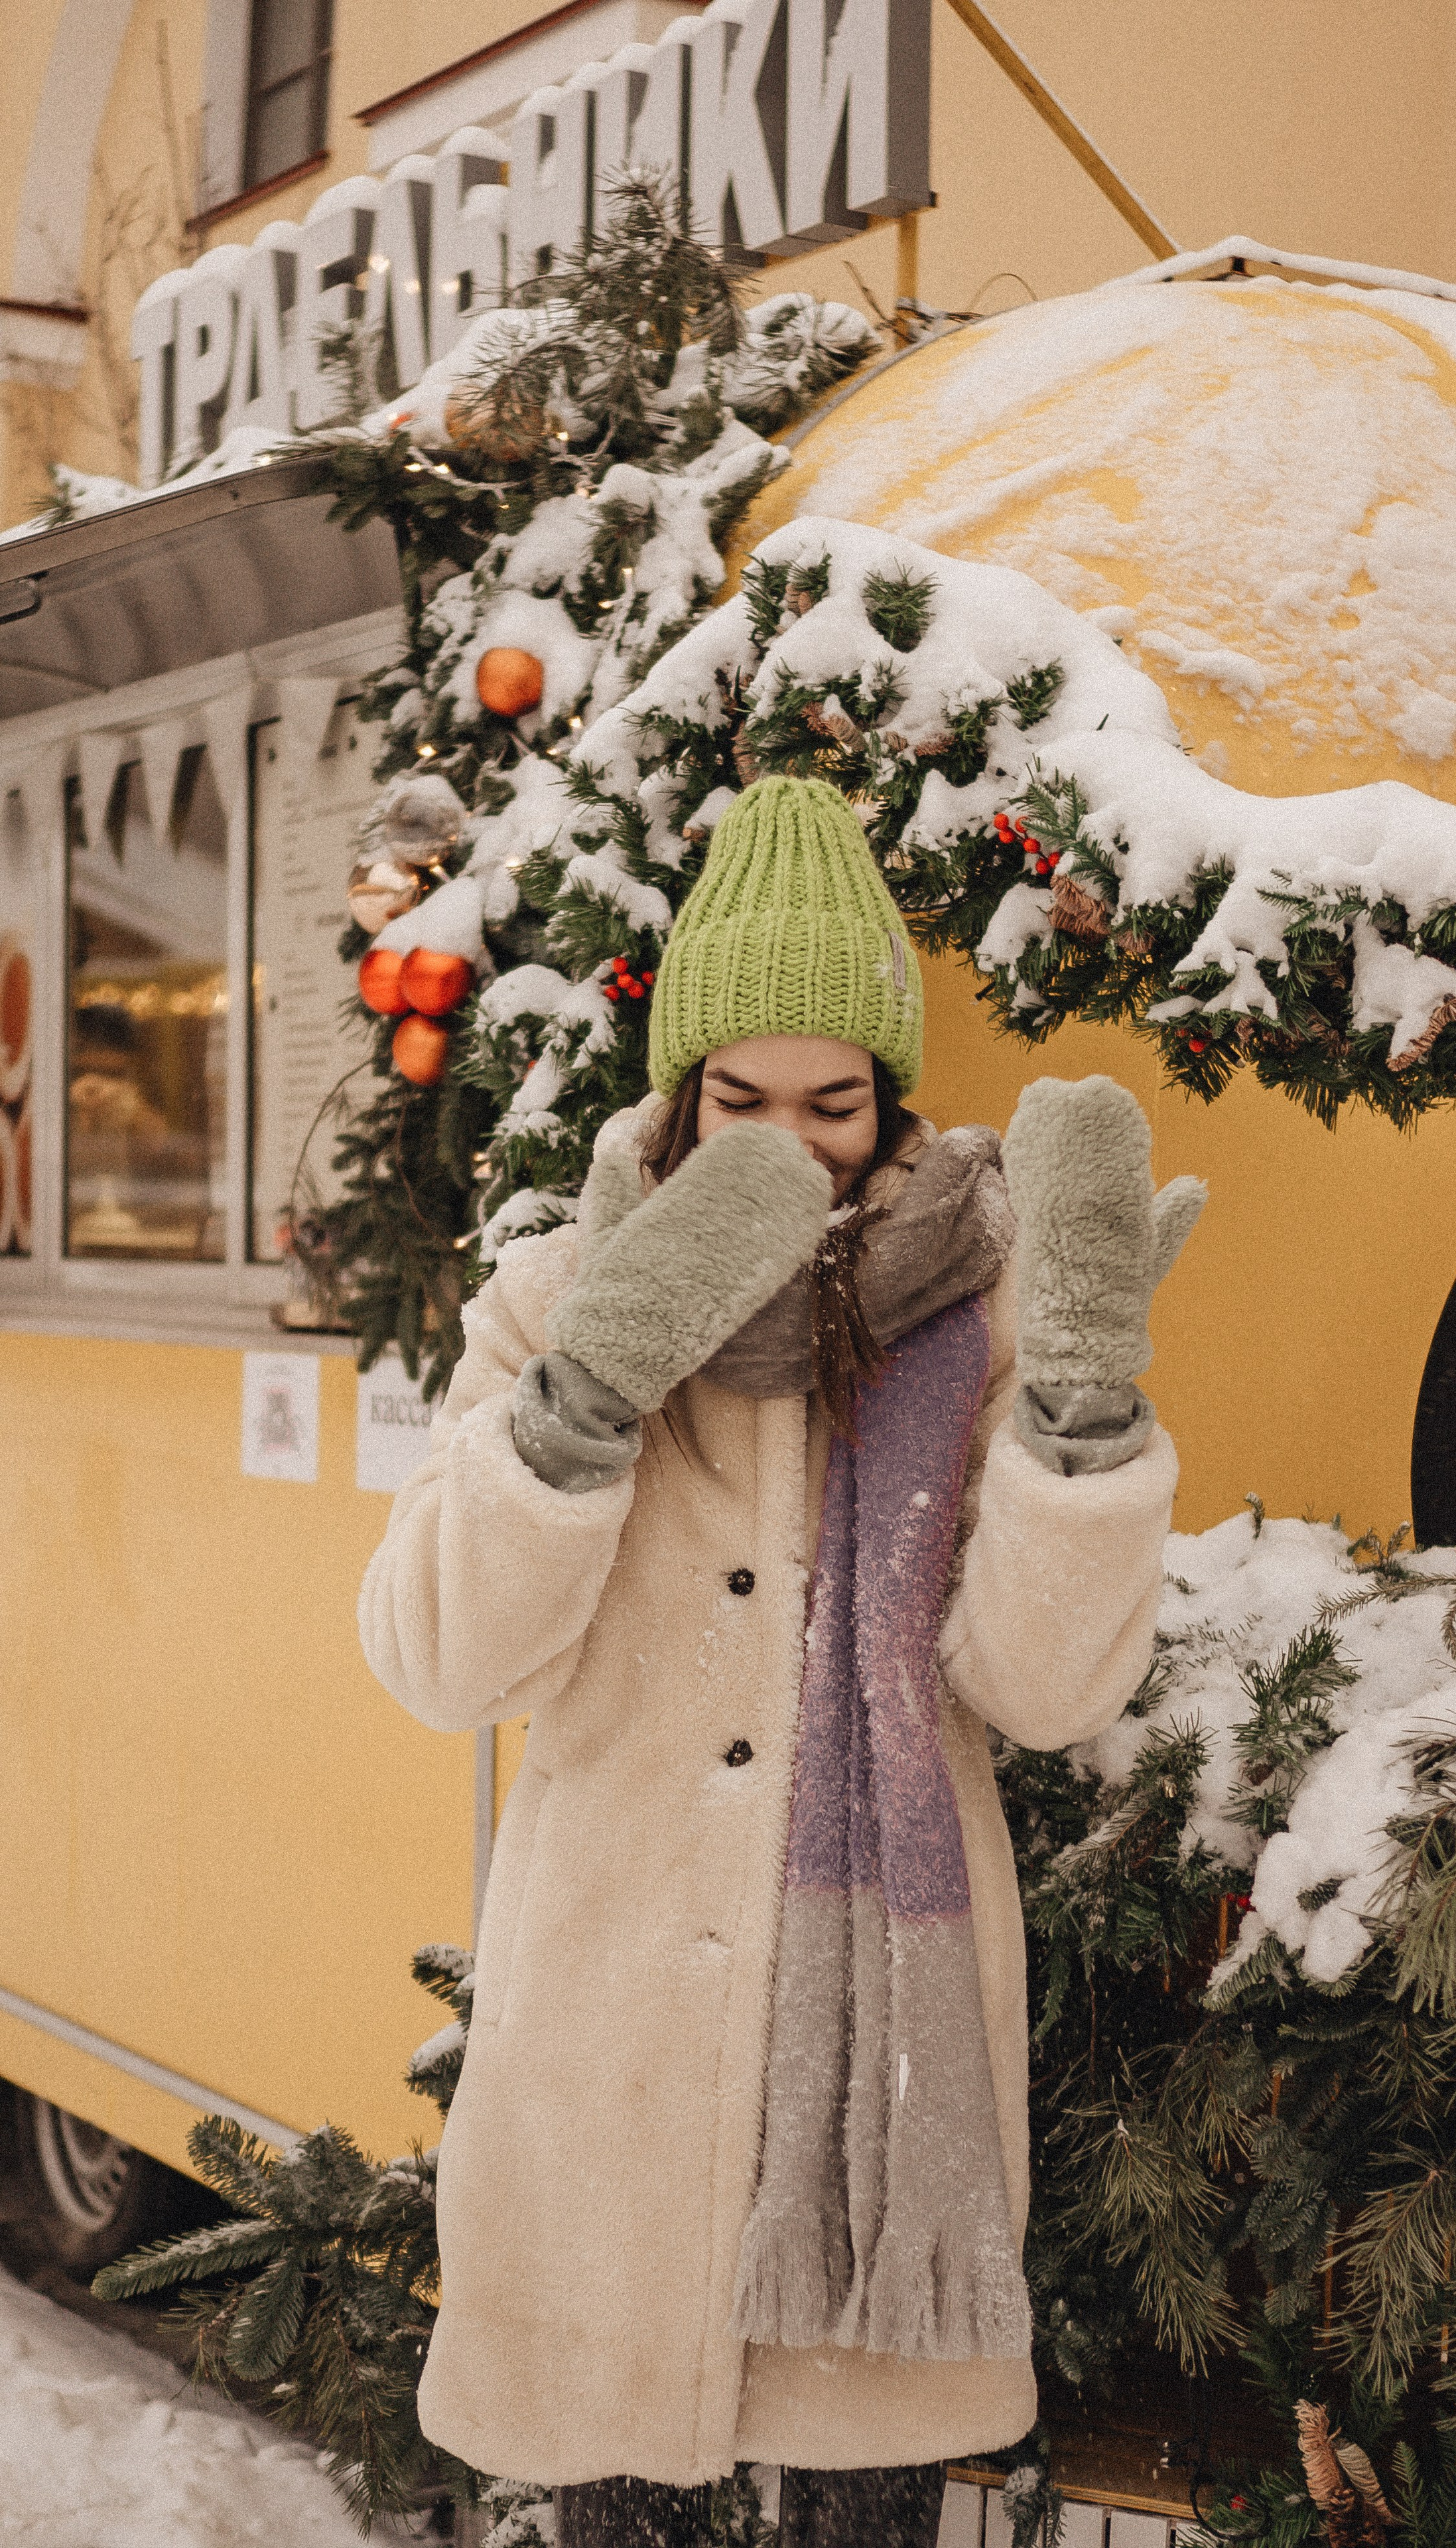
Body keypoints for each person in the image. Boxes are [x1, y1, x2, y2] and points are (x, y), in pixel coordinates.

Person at [359, 776, 1203, 2548]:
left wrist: (1076, 1416)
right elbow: (440, 1661)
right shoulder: (549, 1296)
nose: (796, 1144)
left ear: (890, 1104)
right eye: (743, 1101)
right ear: (679, 1096)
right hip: (612, 2072)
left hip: (878, 2096)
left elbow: (1045, 1692)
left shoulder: (973, 1317)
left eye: (837, 1103)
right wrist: (588, 1394)